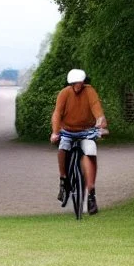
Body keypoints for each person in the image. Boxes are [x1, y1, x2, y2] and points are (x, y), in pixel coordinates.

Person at [50, 68, 108, 215]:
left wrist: (101, 124)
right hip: (67, 130)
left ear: (84, 82)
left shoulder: (89, 91)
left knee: (90, 152)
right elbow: (57, 113)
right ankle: (63, 180)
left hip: (87, 130)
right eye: (75, 83)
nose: (78, 86)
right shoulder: (64, 93)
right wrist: (56, 132)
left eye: (80, 83)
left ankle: (91, 194)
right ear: (70, 83)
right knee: (63, 147)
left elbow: (97, 109)